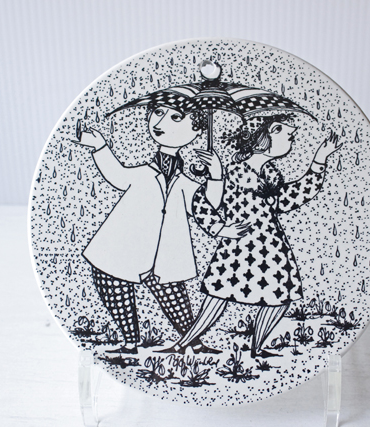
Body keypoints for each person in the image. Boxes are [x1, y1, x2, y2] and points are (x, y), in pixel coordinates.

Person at [161, 114, 343, 358]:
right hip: (238, 249)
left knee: (280, 298)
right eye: (288, 135)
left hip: (271, 249)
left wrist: (319, 160)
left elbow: (291, 197)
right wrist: (220, 228)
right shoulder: (234, 173)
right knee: (217, 298)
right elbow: (203, 202)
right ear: (268, 136)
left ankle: (257, 348)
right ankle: (182, 345)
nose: (292, 140)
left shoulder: (270, 176)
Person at [75, 99, 245, 355]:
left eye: (176, 117)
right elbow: (117, 175)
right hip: (123, 247)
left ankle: (193, 342)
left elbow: (207, 204)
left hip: (163, 253)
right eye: (158, 112)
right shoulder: (142, 173)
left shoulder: (184, 183)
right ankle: (130, 343)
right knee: (115, 290)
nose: (162, 122)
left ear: (197, 130)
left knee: (174, 297)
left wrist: (216, 175)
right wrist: (99, 145)